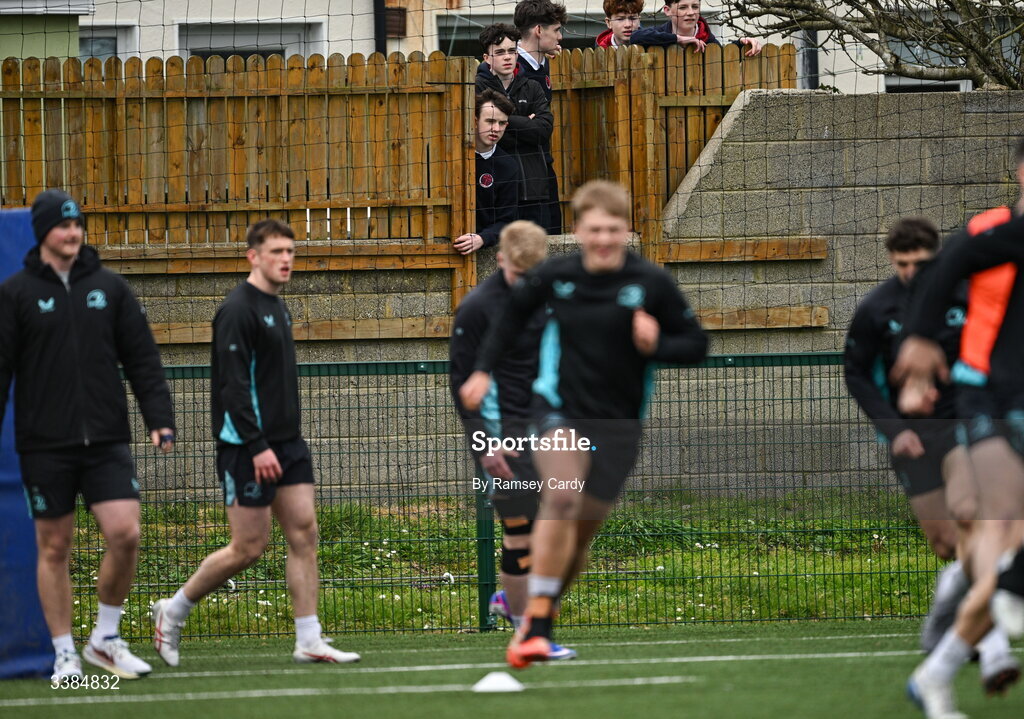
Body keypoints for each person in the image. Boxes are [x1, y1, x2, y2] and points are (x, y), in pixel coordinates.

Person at [460, 180, 707, 669]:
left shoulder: (650, 282)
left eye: (613, 230)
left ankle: (538, 619)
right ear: (577, 230)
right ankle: (535, 626)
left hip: (618, 422)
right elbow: (509, 320)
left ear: (626, 231)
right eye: (594, 229)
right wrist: (482, 372)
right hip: (558, 411)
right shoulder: (555, 275)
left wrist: (656, 344)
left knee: (580, 537)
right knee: (562, 495)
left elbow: (696, 346)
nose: (603, 240)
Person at [151, 219, 360, 667]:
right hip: (247, 447)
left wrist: (281, 443)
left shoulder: (278, 307)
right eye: (277, 251)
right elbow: (232, 388)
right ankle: (174, 609)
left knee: (304, 532)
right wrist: (258, 444)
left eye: (291, 251)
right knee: (249, 546)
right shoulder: (237, 310)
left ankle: (309, 639)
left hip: (289, 444)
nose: (286, 259)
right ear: (253, 256)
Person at [0, 189, 176, 681]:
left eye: (78, 225)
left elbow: (142, 358)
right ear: (42, 232)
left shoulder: (111, 288)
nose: (73, 233)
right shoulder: (15, 294)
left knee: (126, 534)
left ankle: (105, 637)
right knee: (54, 547)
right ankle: (64, 653)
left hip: (105, 441)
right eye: (63, 226)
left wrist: (158, 417)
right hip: (44, 444)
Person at [843, 218, 1020, 687]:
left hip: (963, 421)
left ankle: (993, 644)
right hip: (911, 437)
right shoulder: (877, 308)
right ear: (890, 261)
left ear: (936, 257)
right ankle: (954, 589)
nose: (911, 271)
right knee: (945, 543)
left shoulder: (962, 295)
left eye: (920, 263)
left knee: (970, 515)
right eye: (901, 264)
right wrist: (894, 427)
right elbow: (857, 373)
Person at [894, 138, 1024, 718]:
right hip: (986, 393)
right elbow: (940, 272)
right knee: (1001, 529)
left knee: (1006, 549)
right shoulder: (992, 233)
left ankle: (937, 672)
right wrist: (920, 343)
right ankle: (1001, 606)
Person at [449, 219, 574, 660]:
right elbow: (463, 387)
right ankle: (527, 631)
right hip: (501, 436)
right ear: (500, 259)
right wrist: (485, 445)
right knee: (523, 531)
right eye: (519, 275)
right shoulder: (477, 308)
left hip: (546, 428)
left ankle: (512, 603)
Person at [476, 23, 554, 232]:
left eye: (512, 51)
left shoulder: (532, 87)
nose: (508, 57)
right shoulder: (477, 87)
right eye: (500, 52)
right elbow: (482, 131)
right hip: (495, 188)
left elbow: (543, 131)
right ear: (486, 58)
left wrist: (504, 119)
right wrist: (526, 121)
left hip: (533, 186)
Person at [514, 0, 567, 235]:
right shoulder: (512, 68)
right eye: (556, 30)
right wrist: (530, 123)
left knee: (553, 232)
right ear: (538, 30)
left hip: (543, 161)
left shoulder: (539, 64)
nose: (560, 37)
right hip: (520, 171)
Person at [453, 90, 523, 255]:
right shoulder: (451, 156)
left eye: (502, 123)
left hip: (483, 250)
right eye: (490, 121)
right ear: (475, 121)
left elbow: (507, 219)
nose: (496, 129)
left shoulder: (508, 166)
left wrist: (482, 238)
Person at [631, 0, 762, 56]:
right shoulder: (658, 33)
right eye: (683, 7)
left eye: (695, 7)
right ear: (667, 10)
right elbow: (635, 37)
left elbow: (721, 56)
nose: (690, 12)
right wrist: (677, 39)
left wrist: (742, 42)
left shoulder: (707, 38)